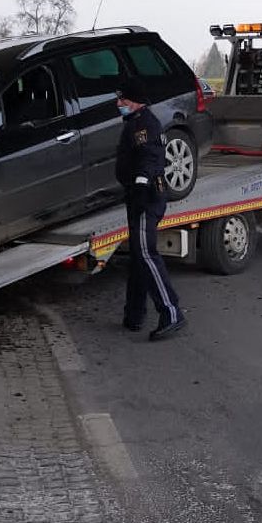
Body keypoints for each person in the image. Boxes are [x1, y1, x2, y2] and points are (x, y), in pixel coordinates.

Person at [115, 78, 186, 342]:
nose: (118, 103)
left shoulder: (145, 124)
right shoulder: (134, 122)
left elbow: (150, 156)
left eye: (123, 99)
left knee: (145, 253)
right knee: (137, 255)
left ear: (136, 101)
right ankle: (134, 314)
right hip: (136, 196)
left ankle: (171, 311)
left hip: (146, 198)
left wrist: (142, 182)